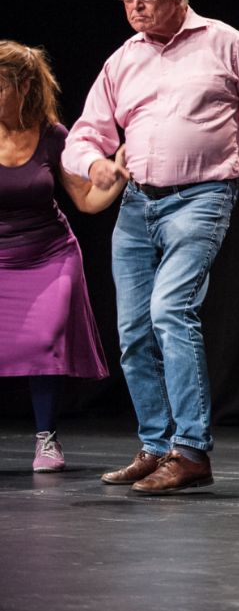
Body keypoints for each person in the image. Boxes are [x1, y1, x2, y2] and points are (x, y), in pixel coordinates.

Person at [62, 0, 239, 494]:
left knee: (170, 310)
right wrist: (94, 164)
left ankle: (191, 451)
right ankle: (156, 446)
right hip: (139, 204)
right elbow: (85, 134)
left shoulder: (227, 44)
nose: (135, 4)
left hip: (203, 197)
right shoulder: (123, 58)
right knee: (134, 329)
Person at [0, 42, 126, 471]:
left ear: (25, 86)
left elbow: (87, 202)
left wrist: (115, 175)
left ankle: (46, 439)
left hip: (49, 255)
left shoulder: (53, 136)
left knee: (43, 339)